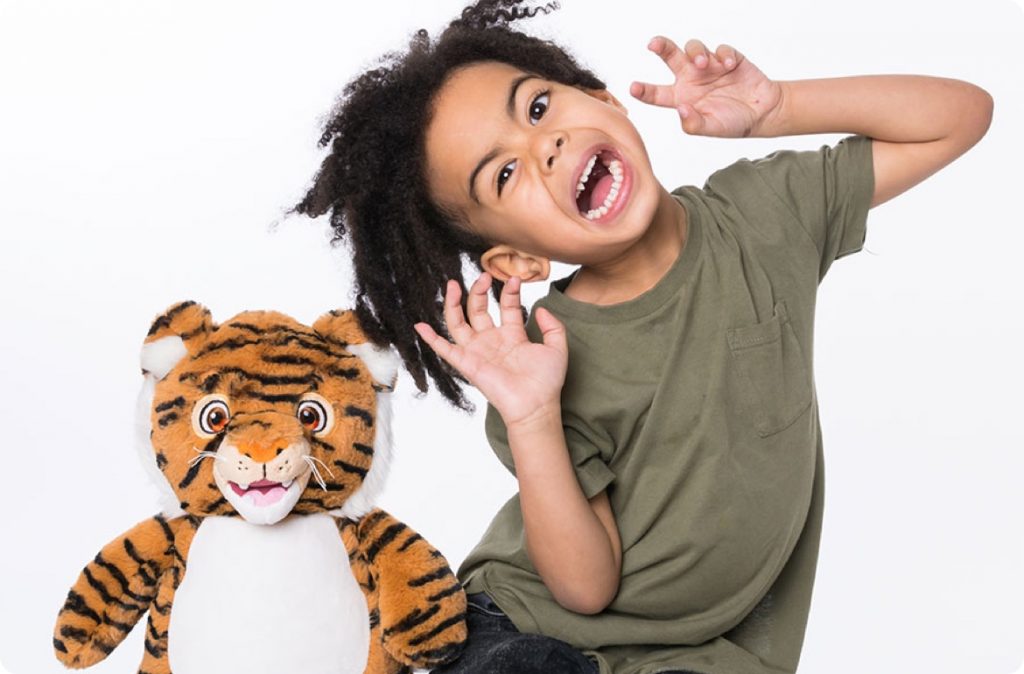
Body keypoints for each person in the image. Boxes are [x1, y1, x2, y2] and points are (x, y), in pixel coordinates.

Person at [293, 2, 993, 672]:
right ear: (518, 262)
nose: (546, 148)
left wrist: (779, 108)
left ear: (606, 101)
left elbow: (959, 118)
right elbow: (585, 589)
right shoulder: (542, 362)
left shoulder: (764, 216)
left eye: (538, 109)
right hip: (524, 626)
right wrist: (533, 417)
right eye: (504, 174)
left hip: (701, 654)